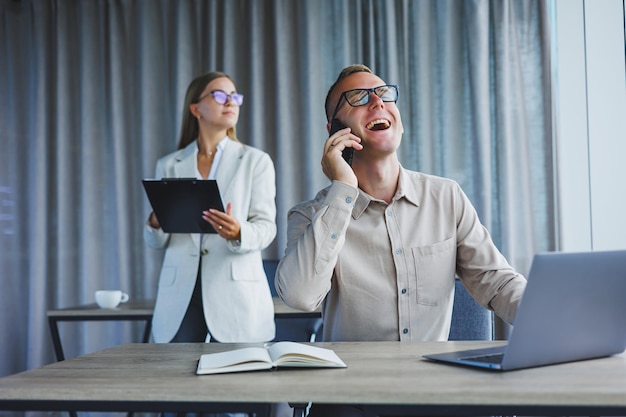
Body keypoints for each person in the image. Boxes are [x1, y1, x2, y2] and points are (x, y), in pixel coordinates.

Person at [275, 64, 527, 416]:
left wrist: (555, 320)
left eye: (383, 93)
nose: (377, 101)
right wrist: (343, 190)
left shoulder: (446, 196)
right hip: (351, 398)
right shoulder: (310, 216)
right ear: (335, 131)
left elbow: (496, 282)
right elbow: (301, 296)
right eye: (358, 98)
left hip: (435, 393)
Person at [145, 71, 276, 344]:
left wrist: (239, 231)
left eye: (234, 96)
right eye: (219, 95)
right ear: (196, 109)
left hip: (235, 293)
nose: (230, 101)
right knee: (175, 376)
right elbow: (156, 242)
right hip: (181, 293)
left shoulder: (255, 161)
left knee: (235, 380)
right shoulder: (169, 164)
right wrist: (156, 222)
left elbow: (267, 228)